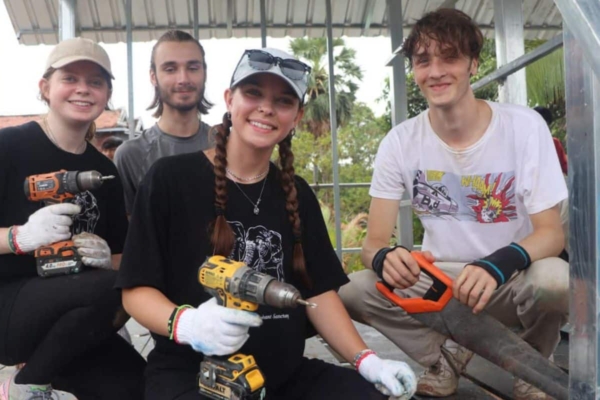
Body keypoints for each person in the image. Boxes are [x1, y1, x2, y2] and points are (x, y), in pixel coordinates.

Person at [116, 47, 417, 400]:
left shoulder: (297, 193)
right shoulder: (169, 179)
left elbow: (318, 293)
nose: (266, 108)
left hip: (283, 376)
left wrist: (367, 360)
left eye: (284, 100)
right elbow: (135, 290)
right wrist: (185, 323)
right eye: (253, 93)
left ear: (297, 116)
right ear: (230, 99)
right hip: (195, 379)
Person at [338, 9, 569, 400]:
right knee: (353, 289)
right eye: (423, 60)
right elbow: (373, 243)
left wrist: (497, 264)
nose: (436, 71)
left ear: (473, 64)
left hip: (510, 279)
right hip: (440, 284)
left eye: (450, 57)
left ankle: (531, 365)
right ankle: (443, 356)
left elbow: (551, 233)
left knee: (554, 282)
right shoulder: (400, 141)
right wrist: (385, 258)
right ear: (413, 69)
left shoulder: (524, 126)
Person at [0, 37, 145, 399]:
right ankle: (25, 387)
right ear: (45, 88)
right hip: (7, 308)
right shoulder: (8, 147)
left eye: (95, 82)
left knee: (140, 386)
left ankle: (39, 371)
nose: (83, 89)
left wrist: (104, 259)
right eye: (70, 78)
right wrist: (19, 237)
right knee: (108, 288)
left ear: (107, 94)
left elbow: (122, 259)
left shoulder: (103, 172)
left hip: (70, 328)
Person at [114, 29, 214, 214]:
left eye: (193, 68)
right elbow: (129, 233)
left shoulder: (228, 145)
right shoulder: (131, 155)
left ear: (204, 73)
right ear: (153, 76)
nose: (183, 79)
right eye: (170, 69)